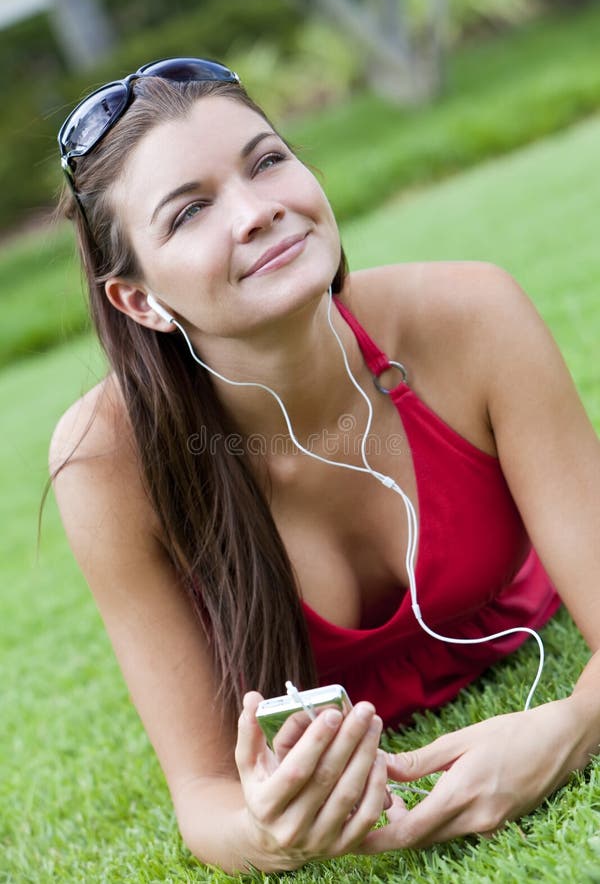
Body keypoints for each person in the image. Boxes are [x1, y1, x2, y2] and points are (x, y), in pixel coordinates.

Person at [50, 57, 600, 873]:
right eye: (189, 212)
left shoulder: (472, 315)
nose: (257, 211)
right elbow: (205, 797)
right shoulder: (105, 461)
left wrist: (567, 729)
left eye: (266, 161)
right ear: (140, 299)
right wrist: (269, 833)